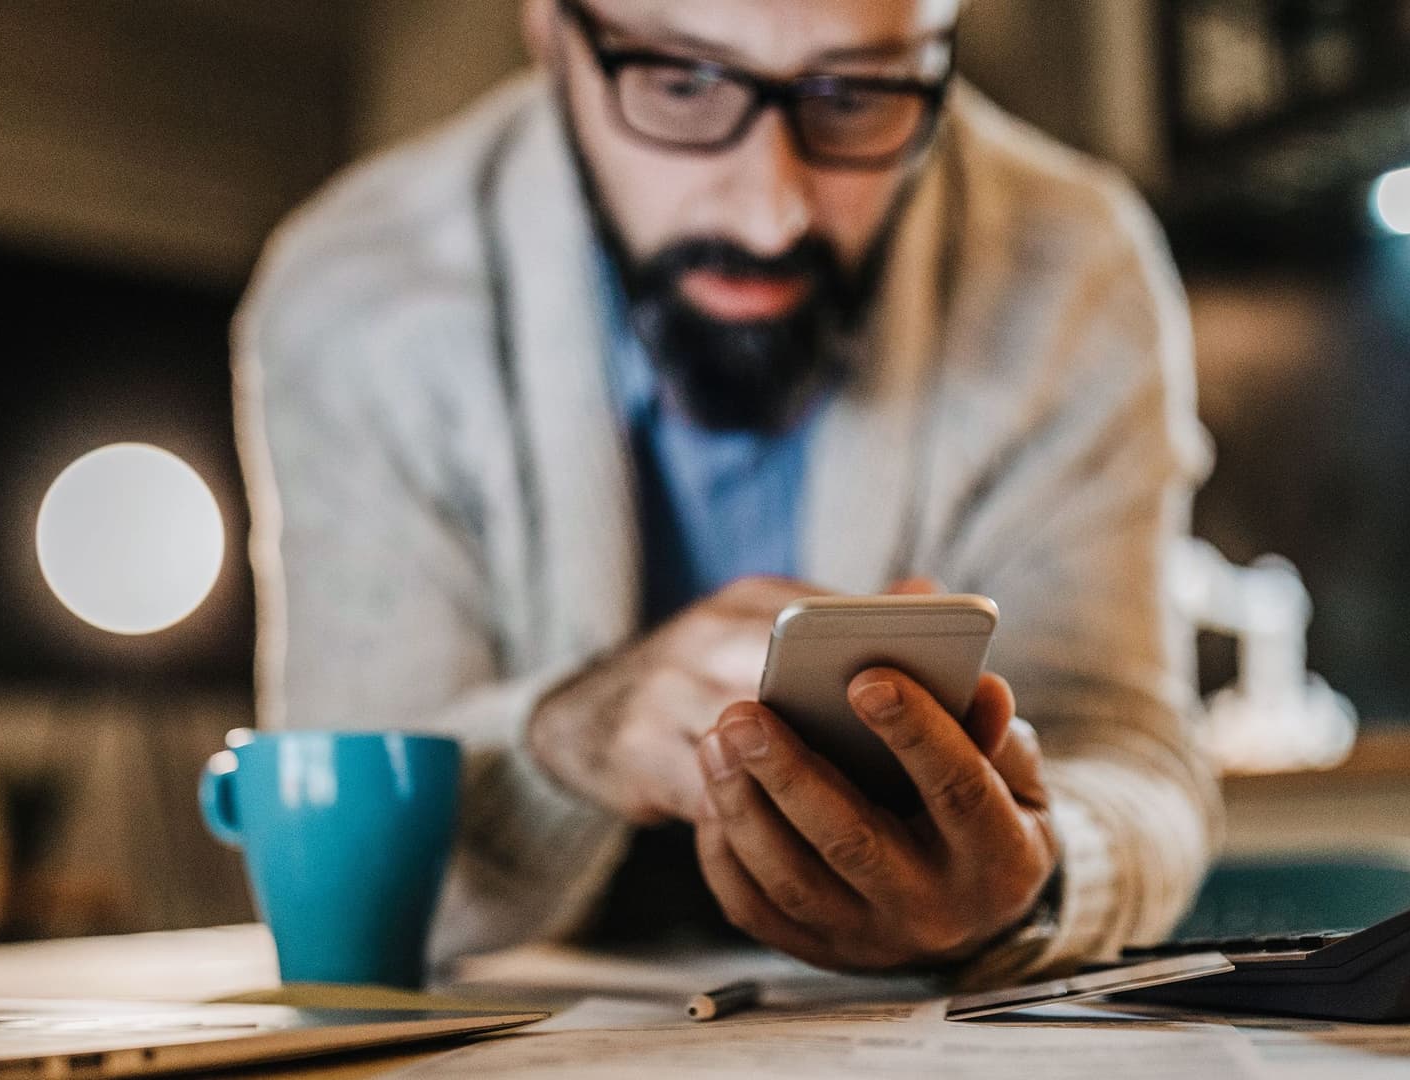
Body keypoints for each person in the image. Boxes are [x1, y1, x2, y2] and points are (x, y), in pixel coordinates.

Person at [234, 0, 1219, 987]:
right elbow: (333, 834)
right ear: (547, 30)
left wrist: (1037, 874)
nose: (771, 212)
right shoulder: (355, 288)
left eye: (857, 92)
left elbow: (1131, 756)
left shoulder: (1077, 266)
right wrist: (568, 736)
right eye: (683, 83)